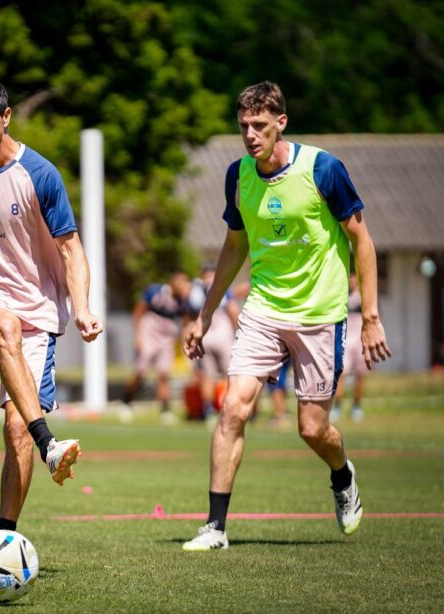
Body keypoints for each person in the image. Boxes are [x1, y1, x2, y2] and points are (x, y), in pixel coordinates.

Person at [182, 81, 391, 551]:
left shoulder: (324, 169)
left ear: (281, 123)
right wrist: (206, 314)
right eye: (243, 127)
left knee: (312, 429)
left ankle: (342, 473)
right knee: (233, 407)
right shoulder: (239, 176)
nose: (251, 135)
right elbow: (234, 246)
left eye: (260, 125)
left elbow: (363, 241)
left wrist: (371, 316)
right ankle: (215, 527)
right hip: (263, 309)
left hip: (320, 314)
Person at [0, 76, 104, 532]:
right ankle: (50, 442)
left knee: (16, 432)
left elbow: (71, 248)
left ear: (6, 116)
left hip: (37, 308)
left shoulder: (41, 174)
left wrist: (83, 307)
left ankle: (4, 539)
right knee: (4, 325)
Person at [121, 273, 192, 424]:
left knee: (164, 373)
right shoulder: (156, 291)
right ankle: (126, 401)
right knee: (140, 371)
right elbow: (139, 310)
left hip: (167, 336)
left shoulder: (182, 300)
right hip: (149, 330)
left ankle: (165, 410)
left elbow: (186, 320)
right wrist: (138, 335)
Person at [186, 264, 240, 420]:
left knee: (207, 376)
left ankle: (208, 410)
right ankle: (233, 408)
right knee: (232, 374)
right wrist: (239, 331)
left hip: (203, 336)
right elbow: (232, 311)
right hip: (223, 335)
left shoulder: (194, 291)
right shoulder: (222, 287)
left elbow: (188, 316)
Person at [332, 272, 368, 422]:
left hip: (360, 341)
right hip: (345, 340)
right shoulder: (340, 295)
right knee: (341, 374)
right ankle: (337, 407)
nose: (352, 282)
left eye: (354, 280)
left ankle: (356, 406)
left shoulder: (364, 297)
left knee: (360, 376)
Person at [267, 358, 292, 428]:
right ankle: (283, 413)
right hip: (284, 354)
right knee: (280, 384)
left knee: (275, 384)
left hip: (277, 355)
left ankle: (280, 416)